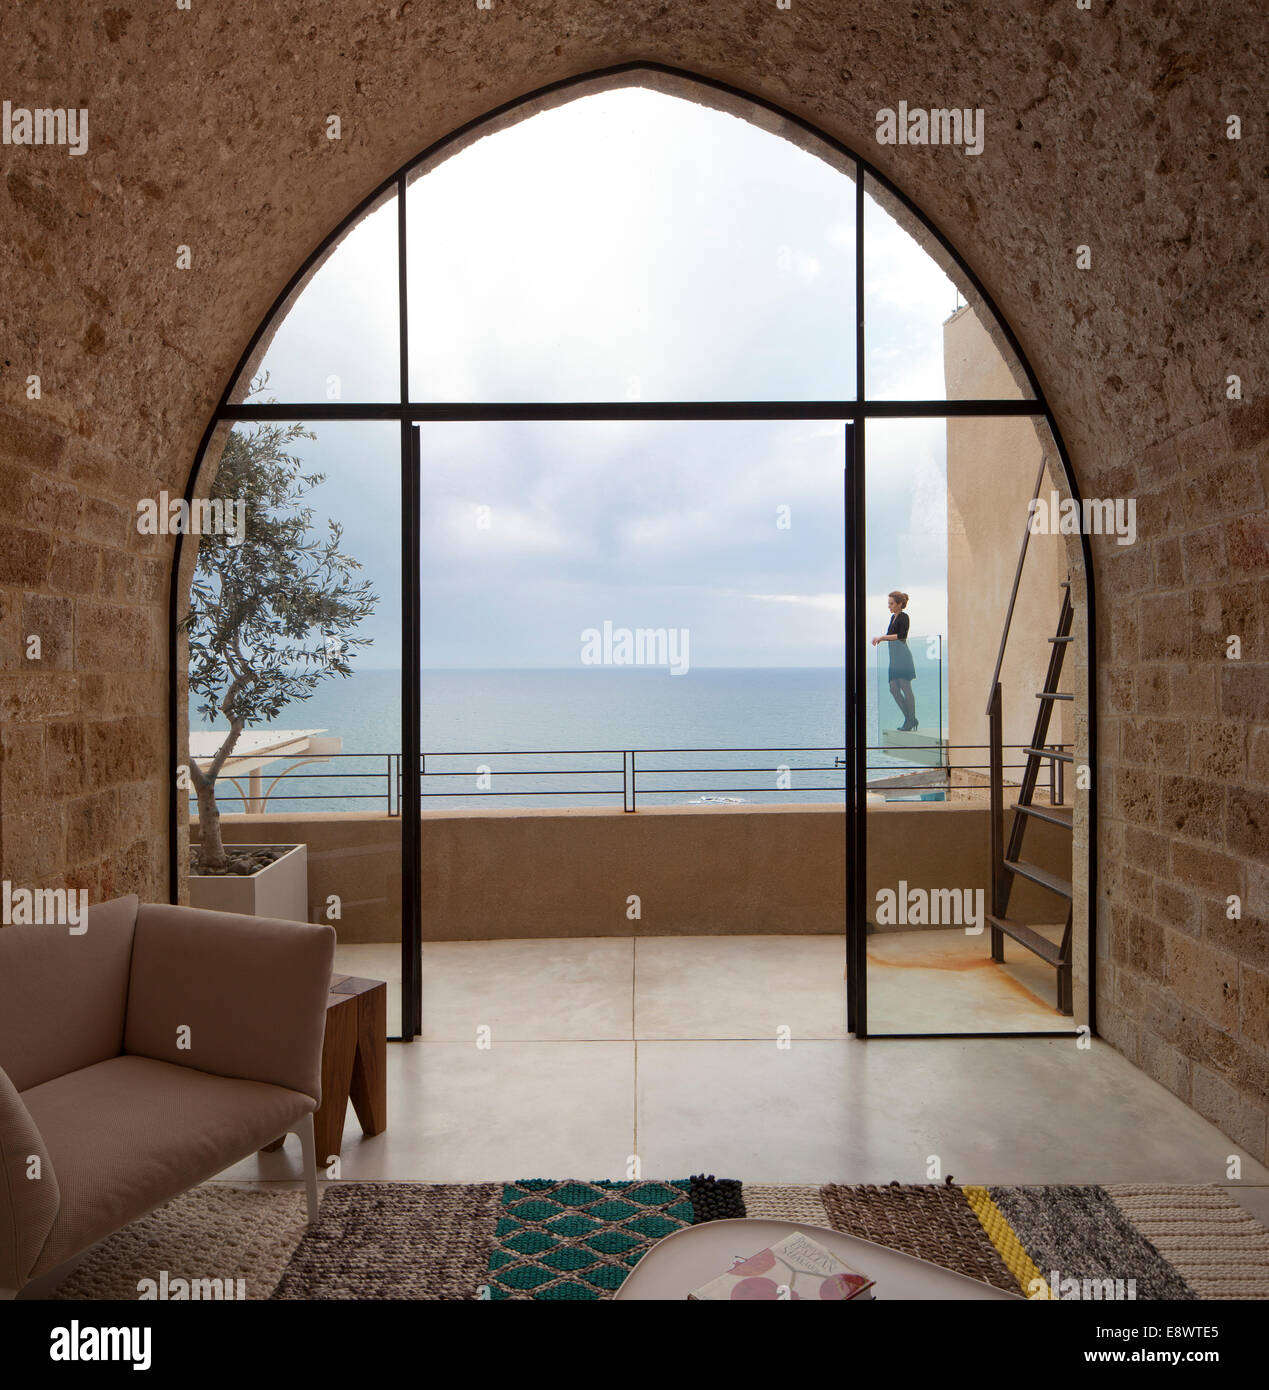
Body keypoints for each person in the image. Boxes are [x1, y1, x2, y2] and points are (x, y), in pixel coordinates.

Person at [871, 590, 918, 731]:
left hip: (903, 657)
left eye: (891, 603)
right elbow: (890, 635)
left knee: (905, 687)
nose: (889, 606)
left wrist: (882, 638)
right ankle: (911, 719)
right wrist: (881, 638)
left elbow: (901, 636)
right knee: (893, 688)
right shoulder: (893, 618)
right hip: (894, 658)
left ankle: (910, 720)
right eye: (889, 603)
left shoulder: (904, 617)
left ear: (900, 604)